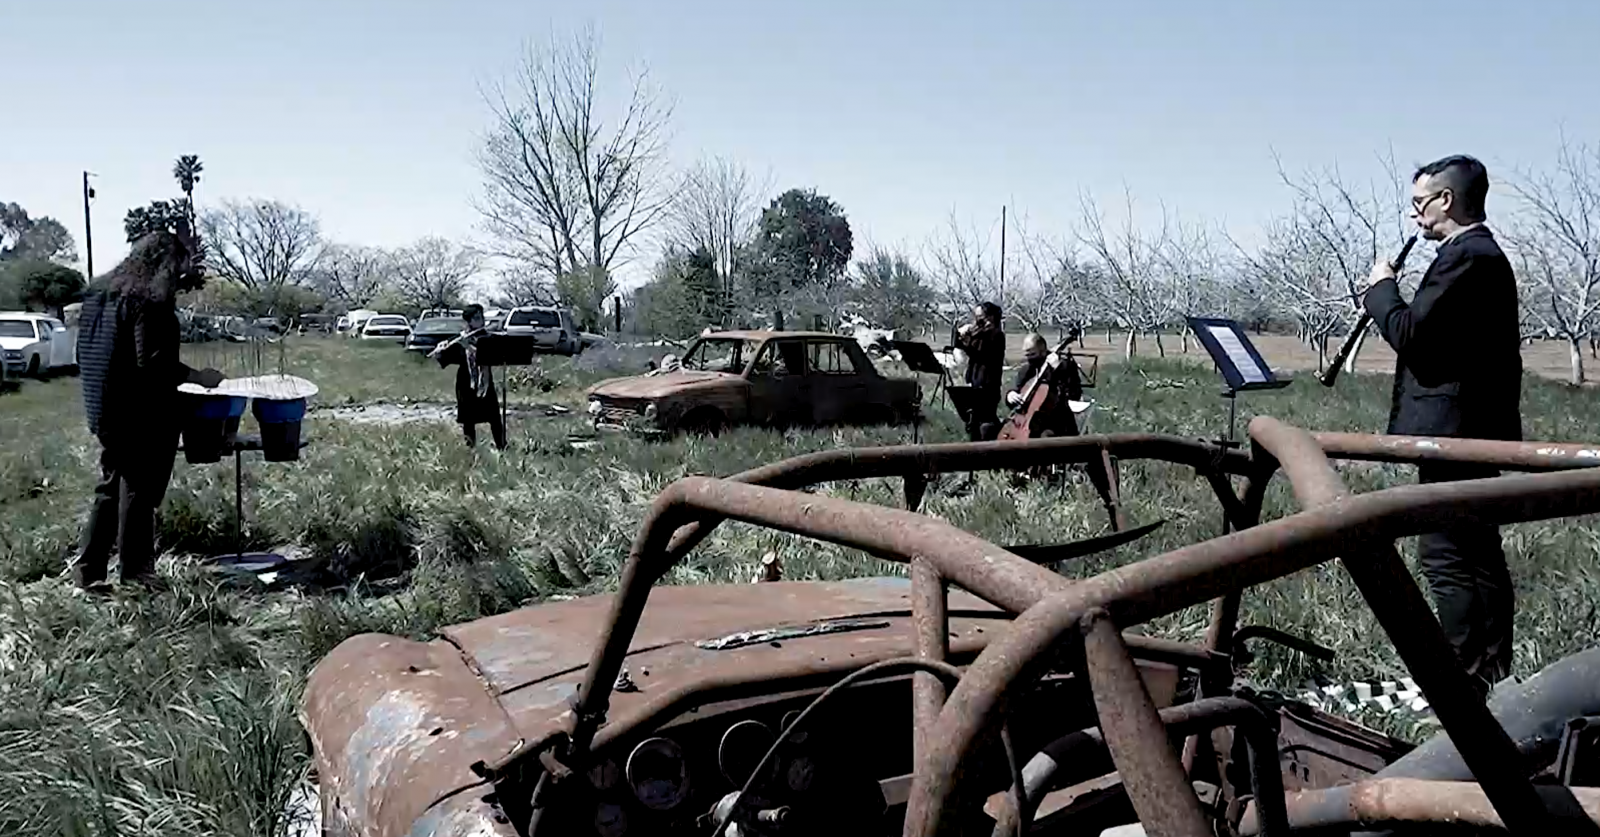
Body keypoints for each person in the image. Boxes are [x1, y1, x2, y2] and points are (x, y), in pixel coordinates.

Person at [1364, 154, 1522, 699]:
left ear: (1446, 201)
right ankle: (1488, 675)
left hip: (1456, 434)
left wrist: (1380, 289)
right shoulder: (1477, 255)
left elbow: (1412, 334)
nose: (1416, 217)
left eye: (1419, 204)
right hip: (1468, 431)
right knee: (1475, 552)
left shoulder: (1466, 257)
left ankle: (1461, 680)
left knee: (1448, 557)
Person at [72, 223, 225, 592]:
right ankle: (137, 577)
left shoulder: (101, 295)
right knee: (138, 493)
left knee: (110, 488)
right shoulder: (148, 301)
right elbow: (153, 363)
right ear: (165, 263)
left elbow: (85, 353)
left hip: (104, 409)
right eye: (179, 263)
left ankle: (87, 574)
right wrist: (197, 376)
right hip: (141, 414)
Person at [432, 305, 507, 450]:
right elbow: (445, 359)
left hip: (484, 383)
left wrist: (469, 347)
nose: (482, 321)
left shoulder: (488, 337)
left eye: (482, 317)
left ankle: (501, 446)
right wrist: (440, 352)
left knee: (494, 417)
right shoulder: (460, 338)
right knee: (468, 418)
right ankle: (470, 449)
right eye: (478, 318)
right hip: (465, 383)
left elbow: (488, 357)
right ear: (468, 322)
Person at [1004, 333, 1085, 438]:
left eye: (1032, 354)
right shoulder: (1027, 370)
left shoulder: (1064, 366)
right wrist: (1010, 395)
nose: (1029, 358)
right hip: (1027, 423)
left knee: (1046, 437)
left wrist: (1059, 369)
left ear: (1043, 351)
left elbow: (1075, 393)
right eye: (1027, 355)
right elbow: (1018, 393)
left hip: (1057, 422)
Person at [953, 302, 1006, 441]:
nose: (977, 320)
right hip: (973, 383)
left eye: (980, 317)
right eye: (976, 317)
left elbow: (982, 355)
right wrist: (959, 333)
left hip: (988, 388)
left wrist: (969, 341)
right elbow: (959, 345)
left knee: (985, 425)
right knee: (973, 424)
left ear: (991, 317)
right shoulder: (979, 334)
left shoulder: (997, 335)